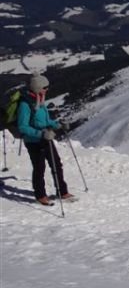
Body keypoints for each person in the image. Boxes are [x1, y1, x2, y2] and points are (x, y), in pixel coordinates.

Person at [17, 74, 73, 206]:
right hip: (33, 141)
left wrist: (58, 125)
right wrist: (40, 134)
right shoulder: (25, 104)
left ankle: (62, 192)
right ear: (37, 87)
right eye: (44, 87)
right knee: (39, 167)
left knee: (56, 164)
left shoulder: (40, 100)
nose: (47, 89)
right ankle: (40, 195)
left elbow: (47, 120)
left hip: (46, 137)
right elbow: (22, 127)